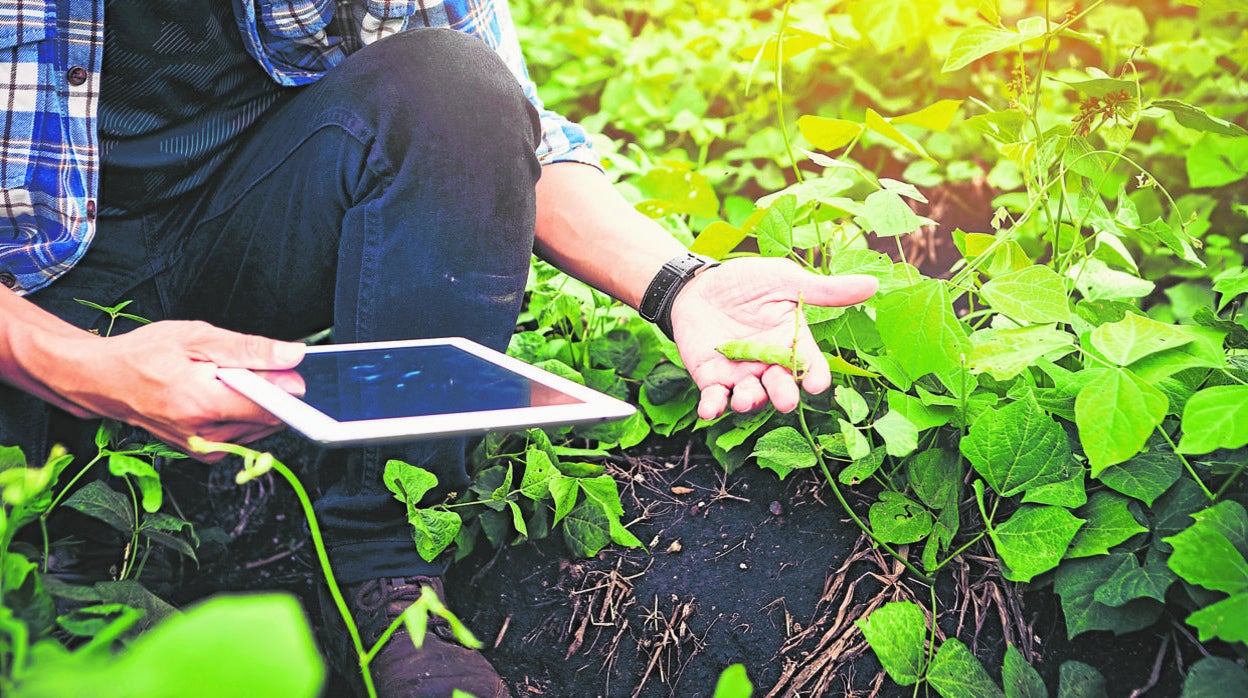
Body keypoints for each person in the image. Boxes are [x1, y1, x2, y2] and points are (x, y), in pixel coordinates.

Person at [0, 2, 877, 696]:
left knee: (455, 84)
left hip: (254, 223)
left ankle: (382, 569)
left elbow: (499, 124)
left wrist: (679, 284)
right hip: (29, 289)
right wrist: (80, 369)